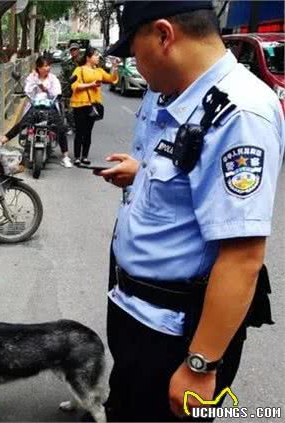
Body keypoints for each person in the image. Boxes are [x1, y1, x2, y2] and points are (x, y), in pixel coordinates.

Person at [95, 1, 284, 421]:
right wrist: (141, 172)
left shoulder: (241, 113)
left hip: (176, 334)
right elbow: (185, 172)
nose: (134, 66)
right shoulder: (173, 90)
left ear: (164, 35)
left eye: (134, 51)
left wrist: (201, 365)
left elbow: (243, 257)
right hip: (135, 313)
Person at [0, 57, 73, 168]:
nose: (48, 68)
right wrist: (35, 85)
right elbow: (27, 91)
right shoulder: (32, 77)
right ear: (39, 68)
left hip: (50, 106)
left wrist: (45, 89)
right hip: (35, 106)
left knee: (60, 127)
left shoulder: (53, 78)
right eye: (45, 66)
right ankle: (3, 140)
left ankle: (65, 156)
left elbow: (56, 93)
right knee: (23, 123)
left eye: (48, 66)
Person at [70, 47, 118, 165]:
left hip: (93, 105)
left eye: (98, 55)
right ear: (88, 57)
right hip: (80, 104)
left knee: (88, 132)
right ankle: (77, 157)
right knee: (79, 131)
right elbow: (74, 86)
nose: (97, 58)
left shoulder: (99, 71)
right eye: (95, 55)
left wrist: (115, 67)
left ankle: (84, 156)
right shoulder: (79, 70)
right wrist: (90, 85)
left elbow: (112, 79)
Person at [60, 42, 81, 124]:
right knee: (68, 110)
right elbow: (62, 76)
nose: (73, 52)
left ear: (78, 51)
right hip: (69, 90)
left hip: (81, 89)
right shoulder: (66, 63)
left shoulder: (83, 63)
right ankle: (71, 125)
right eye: (72, 50)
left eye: (75, 50)